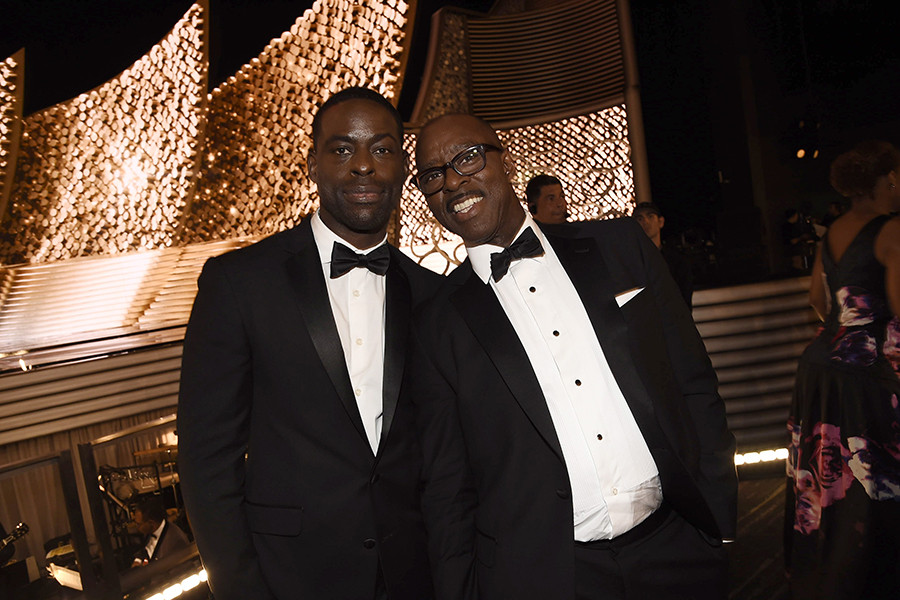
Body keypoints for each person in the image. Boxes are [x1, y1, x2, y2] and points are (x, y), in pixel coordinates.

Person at [410, 113, 737, 600]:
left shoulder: (621, 247)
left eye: (467, 157)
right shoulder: (435, 323)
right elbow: (446, 487)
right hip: (545, 576)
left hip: (678, 546)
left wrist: (720, 520)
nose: (454, 181)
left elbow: (693, 380)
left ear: (507, 159)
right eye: (434, 174)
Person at [178, 87, 439, 600]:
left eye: (382, 149)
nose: (364, 166)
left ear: (403, 169)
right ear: (312, 165)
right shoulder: (239, 282)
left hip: (415, 575)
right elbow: (208, 460)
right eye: (342, 149)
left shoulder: (432, 293)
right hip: (290, 578)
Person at [785, 140, 900, 600]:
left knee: (833, 479)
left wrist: (842, 332)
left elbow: (817, 298)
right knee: (878, 472)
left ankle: (838, 575)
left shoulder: (833, 230)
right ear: (886, 180)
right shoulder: (891, 230)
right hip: (868, 369)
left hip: (821, 366)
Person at [632, 201, 694, 309]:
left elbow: (684, 296)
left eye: (650, 216)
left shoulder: (677, 260)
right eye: (640, 219)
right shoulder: (631, 261)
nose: (645, 222)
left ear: (660, 222)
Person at [131, 496, 190, 566]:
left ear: (151, 523)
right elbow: (146, 549)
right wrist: (138, 560)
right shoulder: (151, 530)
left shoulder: (174, 542)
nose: (136, 526)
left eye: (138, 524)